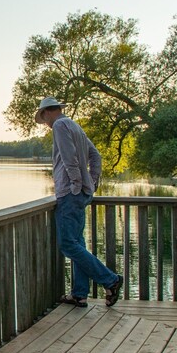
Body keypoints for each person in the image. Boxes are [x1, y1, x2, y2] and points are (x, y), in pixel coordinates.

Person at [35, 97, 123, 307]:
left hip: (70, 193)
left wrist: (76, 184)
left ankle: (111, 280)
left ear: (47, 112)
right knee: (77, 242)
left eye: (43, 117)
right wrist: (91, 182)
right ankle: (79, 294)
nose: (45, 123)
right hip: (81, 193)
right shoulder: (75, 126)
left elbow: (69, 158)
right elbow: (96, 156)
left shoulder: (59, 125)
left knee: (67, 244)